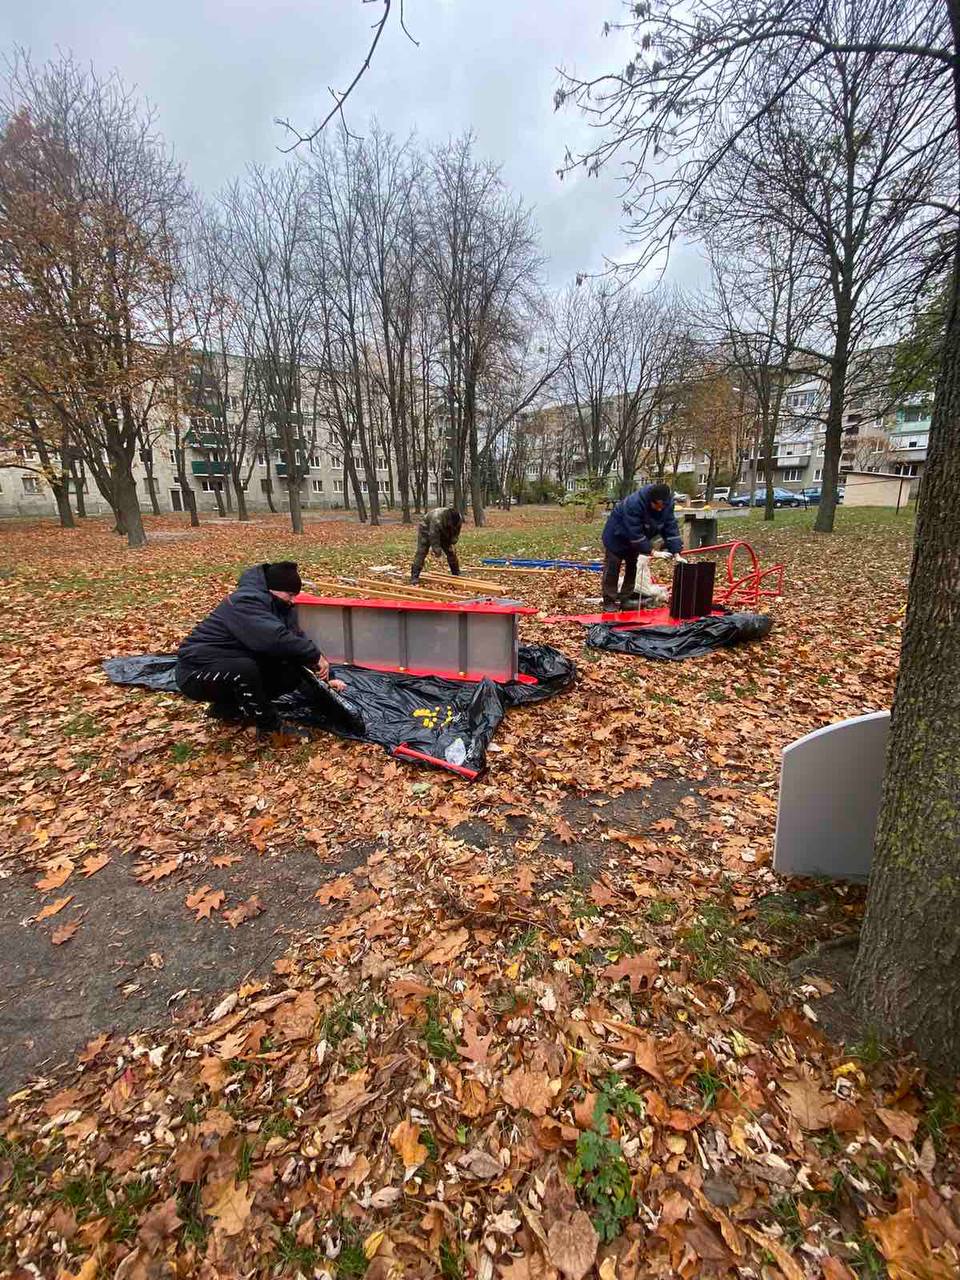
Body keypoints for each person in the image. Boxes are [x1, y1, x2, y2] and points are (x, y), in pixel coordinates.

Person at [175, 561, 343, 741]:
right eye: (290, 594)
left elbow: (296, 640)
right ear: (273, 589)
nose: (293, 600)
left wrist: (327, 675)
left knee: (289, 671)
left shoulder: (281, 606)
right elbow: (275, 639)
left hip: (228, 661)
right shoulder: (245, 602)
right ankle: (271, 728)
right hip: (196, 672)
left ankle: (226, 707)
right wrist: (314, 655)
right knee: (243, 669)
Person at [601, 482, 683, 611]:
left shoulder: (666, 505)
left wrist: (677, 551)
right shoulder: (634, 504)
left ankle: (625, 599)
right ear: (651, 500)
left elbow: (670, 526)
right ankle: (609, 601)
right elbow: (635, 532)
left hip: (636, 540)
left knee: (632, 567)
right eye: (657, 506)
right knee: (613, 567)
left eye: (663, 506)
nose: (660, 509)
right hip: (616, 535)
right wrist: (652, 551)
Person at [410, 506, 463, 584]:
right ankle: (414, 576)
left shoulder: (458, 519)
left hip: (444, 532)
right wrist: (436, 549)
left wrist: (453, 540)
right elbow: (433, 536)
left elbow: (456, 531)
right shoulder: (436, 519)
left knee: (451, 552)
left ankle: (456, 573)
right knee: (421, 552)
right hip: (426, 530)